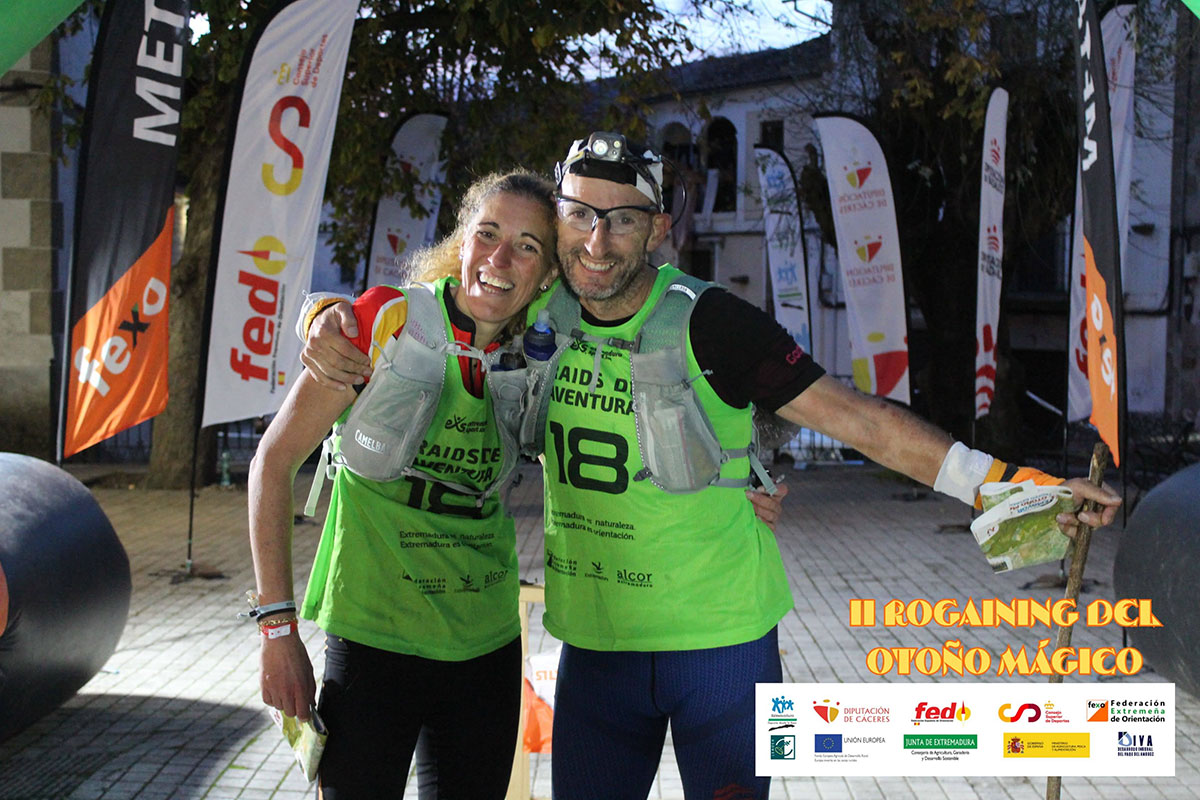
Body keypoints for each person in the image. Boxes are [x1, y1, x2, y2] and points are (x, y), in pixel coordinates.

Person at [300, 133, 1121, 800]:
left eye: (623, 220)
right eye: (579, 215)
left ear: (658, 229)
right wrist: (324, 316)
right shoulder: (536, 311)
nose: (597, 241)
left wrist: (1012, 487)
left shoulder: (712, 320)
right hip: (597, 651)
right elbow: (433, 302)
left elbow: (859, 421)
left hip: (720, 651)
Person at [248, 169, 562, 799]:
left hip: (486, 645)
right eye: (488, 233)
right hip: (374, 637)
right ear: (462, 241)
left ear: (547, 274)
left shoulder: (542, 356)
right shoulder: (387, 322)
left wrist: (746, 487)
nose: (500, 258)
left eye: (527, 246)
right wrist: (278, 631)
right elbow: (272, 463)